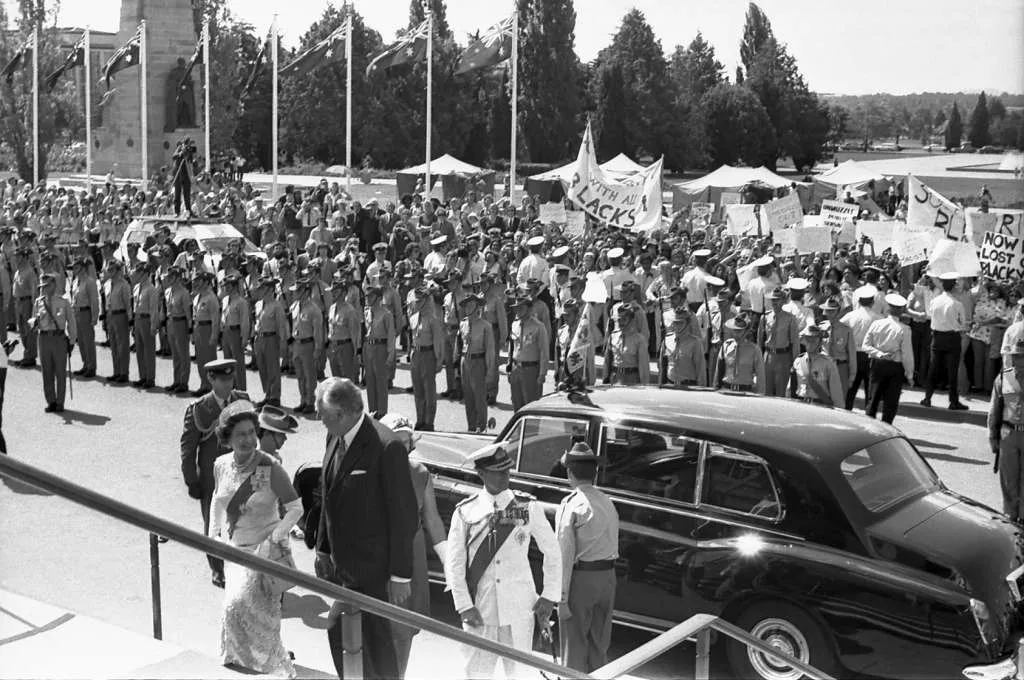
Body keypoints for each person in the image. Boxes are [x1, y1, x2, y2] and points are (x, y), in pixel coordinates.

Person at [313, 378, 418, 680]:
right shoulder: (336, 435)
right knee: (347, 638)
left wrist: (400, 576)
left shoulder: (387, 447)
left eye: (323, 414)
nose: (319, 420)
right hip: (345, 569)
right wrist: (323, 547)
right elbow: (328, 494)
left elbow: (404, 516)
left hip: (375, 571)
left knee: (375, 644)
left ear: (342, 413)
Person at [445, 443, 561, 680]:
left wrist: (549, 595)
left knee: (520, 674)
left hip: (519, 608)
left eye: (507, 469)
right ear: (482, 474)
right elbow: (454, 562)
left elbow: (553, 551)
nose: (505, 475)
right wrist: (464, 605)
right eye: (498, 471)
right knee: (476, 674)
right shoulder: (466, 511)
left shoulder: (526, 506)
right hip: (480, 609)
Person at [208, 400, 302, 677]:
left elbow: (296, 507)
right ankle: (242, 666)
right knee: (236, 612)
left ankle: (271, 669)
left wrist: (276, 537)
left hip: (266, 552)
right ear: (228, 439)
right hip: (235, 550)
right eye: (241, 434)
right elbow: (218, 499)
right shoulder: (221, 465)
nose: (249, 439)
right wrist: (213, 534)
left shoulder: (269, 466)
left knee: (256, 615)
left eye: (252, 432)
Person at [379, 413, 448, 680]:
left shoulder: (420, 474)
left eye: (406, 443)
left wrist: (447, 560)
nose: (402, 449)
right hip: (379, 552)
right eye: (395, 443)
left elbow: (432, 519)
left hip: (411, 554)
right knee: (371, 622)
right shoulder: (370, 471)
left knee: (403, 628)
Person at [180, 358, 250, 587]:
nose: (228, 384)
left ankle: (242, 566)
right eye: (222, 380)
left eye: (230, 379)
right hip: (214, 480)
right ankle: (218, 569)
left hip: (241, 475)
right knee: (215, 526)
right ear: (211, 379)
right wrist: (192, 480)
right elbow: (188, 449)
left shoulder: (242, 401)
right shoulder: (200, 409)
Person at [554, 442, 619, 673]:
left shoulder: (571, 505)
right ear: (595, 473)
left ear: (570, 473)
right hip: (608, 578)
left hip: (582, 579)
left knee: (574, 647)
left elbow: (563, 554)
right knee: (599, 646)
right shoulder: (608, 502)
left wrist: (560, 599)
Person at [862, 294, 915, 424]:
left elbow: (865, 346)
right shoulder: (905, 329)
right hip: (894, 367)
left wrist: (878, 354)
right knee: (891, 401)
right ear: (901, 310)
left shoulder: (877, 324)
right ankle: (887, 427)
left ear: (889, 308)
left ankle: (870, 426)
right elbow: (907, 354)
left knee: (873, 398)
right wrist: (910, 374)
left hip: (877, 364)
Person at [921, 272, 969, 410]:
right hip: (952, 337)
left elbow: (930, 315)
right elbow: (962, 324)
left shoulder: (934, 301)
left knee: (933, 368)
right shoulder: (957, 304)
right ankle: (953, 401)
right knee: (952, 371)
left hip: (937, 336)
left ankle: (927, 398)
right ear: (953, 286)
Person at [988, 339, 1024, 521]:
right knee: (1009, 478)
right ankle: (1010, 516)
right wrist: (992, 436)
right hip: (1008, 433)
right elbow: (995, 409)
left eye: (1021, 357)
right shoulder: (1004, 377)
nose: (1018, 361)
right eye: (1015, 357)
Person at [31, 273, 77, 412]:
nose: (44, 289)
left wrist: (72, 340)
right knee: (47, 371)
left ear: (54, 285)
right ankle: (51, 400)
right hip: (44, 337)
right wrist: (34, 323)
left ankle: (60, 402)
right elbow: (33, 320)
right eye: (42, 286)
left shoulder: (63, 302)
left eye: (47, 286)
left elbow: (71, 322)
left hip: (58, 338)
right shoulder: (39, 302)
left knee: (60, 371)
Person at [407, 284, 444, 431]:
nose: (416, 303)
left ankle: (429, 421)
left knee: (429, 390)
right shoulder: (413, 317)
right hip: (416, 354)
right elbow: (412, 337)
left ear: (426, 300)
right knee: (418, 389)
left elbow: (437, 341)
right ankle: (420, 419)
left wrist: (439, 360)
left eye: (419, 300)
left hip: (428, 354)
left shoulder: (433, 319)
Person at [459, 294, 495, 433]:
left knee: (479, 396)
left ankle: (481, 426)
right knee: (468, 396)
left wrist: (490, 370)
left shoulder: (485, 326)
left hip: (478, 360)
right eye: (466, 305)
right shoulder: (463, 324)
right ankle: (471, 426)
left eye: (471, 305)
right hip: (465, 360)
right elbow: (460, 344)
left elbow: (490, 349)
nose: (468, 307)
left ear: (477, 307)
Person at [842, 285, 881, 410]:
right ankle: (869, 415)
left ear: (858, 301)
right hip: (870, 356)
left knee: (850, 389)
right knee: (870, 391)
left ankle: (846, 413)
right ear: (873, 301)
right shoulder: (878, 318)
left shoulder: (850, 316)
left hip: (853, 355)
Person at [252, 276, 289, 408]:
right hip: (259, 338)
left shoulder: (276, 306)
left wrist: (283, 342)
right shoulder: (258, 304)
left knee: (273, 368)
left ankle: (274, 396)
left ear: (269, 289)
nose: (260, 290)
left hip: (271, 338)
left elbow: (281, 326)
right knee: (262, 368)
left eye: (263, 288)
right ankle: (267, 394)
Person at [507, 294, 548, 411]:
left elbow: (544, 352)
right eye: (516, 308)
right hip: (516, 369)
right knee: (516, 403)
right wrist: (509, 367)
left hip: (530, 370)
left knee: (530, 406)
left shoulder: (538, 327)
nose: (518, 311)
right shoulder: (514, 325)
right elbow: (512, 347)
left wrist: (542, 374)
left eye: (521, 308)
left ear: (529, 309)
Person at [758, 288, 799, 397]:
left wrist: (794, 363)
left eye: (777, 299)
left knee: (780, 392)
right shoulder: (765, 317)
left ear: (783, 301)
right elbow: (759, 340)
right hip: (768, 356)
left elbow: (795, 342)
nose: (775, 302)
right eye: (772, 300)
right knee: (766, 391)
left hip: (783, 357)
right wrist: (758, 359)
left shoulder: (790, 318)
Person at [363, 285, 396, 418]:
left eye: (370, 296)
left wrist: (390, 355)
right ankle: (373, 411)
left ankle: (382, 412)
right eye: (366, 296)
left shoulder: (386, 314)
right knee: (369, 381)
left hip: (380, 347)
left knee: (381, 382)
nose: (367, 299)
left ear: (377, 298)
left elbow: (391, 336)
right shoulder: (367, 312)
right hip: (369, 347)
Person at [791, 325, 843, 407]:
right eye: (807, 339)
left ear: (820, 342)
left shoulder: (828, 364)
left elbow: (836, 393)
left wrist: (838, 411)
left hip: (820, 405)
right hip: (800, 404)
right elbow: (790, 389)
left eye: (814, 340)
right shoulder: (798, 362)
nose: (810, 343)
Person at [714, 316, 765, 394]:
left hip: (745, 391)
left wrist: (760, 394)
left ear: (746, 331)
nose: (735, 334)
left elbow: (760, 376)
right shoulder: (726, 345)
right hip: (727, 389)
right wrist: (716, 389)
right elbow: (718, 371)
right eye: (734, 330)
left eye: (739, 331)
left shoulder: (754, 349)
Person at [192, 271, 222, 396]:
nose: (196, 283)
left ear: (206, 282)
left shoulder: (211, 298)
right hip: (199, 328)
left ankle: (212, 387)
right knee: (200, 359)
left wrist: (214, 335)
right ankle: (204, 384)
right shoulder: (198, 297)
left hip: (208, 329)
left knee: (209, 359)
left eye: (199, 280)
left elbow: (216, 319)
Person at [163, 267, 193, 393]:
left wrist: (190, 328)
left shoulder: (184, 293)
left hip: (181, 323)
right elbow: (166, 309)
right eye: (168, 276)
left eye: (171, 276)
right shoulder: (168, 291)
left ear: (177, 278)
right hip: (171, 323)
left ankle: (183, 382)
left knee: (183, 354)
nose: (168, 279)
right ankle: (176, 380)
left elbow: (188, 313)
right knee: (175, 354)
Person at [131, 261, 160, 388]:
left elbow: (154, 309)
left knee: (148, 350)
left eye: (139, 272)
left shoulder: (151, 289)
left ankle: (150, 378)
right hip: (138, 319)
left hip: (147, 319)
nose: (136, 274)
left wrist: (154, 325)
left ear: (145, 274)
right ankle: (142, 376)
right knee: (140, 350)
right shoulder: (137, 287)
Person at [220, 274, 251, 391]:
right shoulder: (225, 300)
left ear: (233, 286)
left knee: (238, 363)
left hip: (236, 331)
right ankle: (230, 388)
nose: (225, 288)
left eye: (227, 286)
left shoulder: (241, 302)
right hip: (226, 331)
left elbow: (244, 321)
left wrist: (244, 338)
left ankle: (241, 389)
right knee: (227, 363)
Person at [103, 259, 132, 383]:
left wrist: (130, 320)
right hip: (110, 315)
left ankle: (124, 373)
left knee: (122, 345)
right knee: (113, 345)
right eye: (108, 270)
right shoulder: (107, 284)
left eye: (112, 269)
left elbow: (128, 304)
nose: (110, 272)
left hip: (121, 315)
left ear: (119, 270)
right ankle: (116, 371)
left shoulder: (124, 285)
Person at [70, 257, 99, 378]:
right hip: (76, 312)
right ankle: (85, 364)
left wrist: (94, 316)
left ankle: (91, 366)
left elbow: (94, 300)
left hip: (85, 312)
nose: (74, 270)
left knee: (88, 341)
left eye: (76, 267)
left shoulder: (89, 281)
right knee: (81, 341)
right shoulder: (76, 281)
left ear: (83, 268)